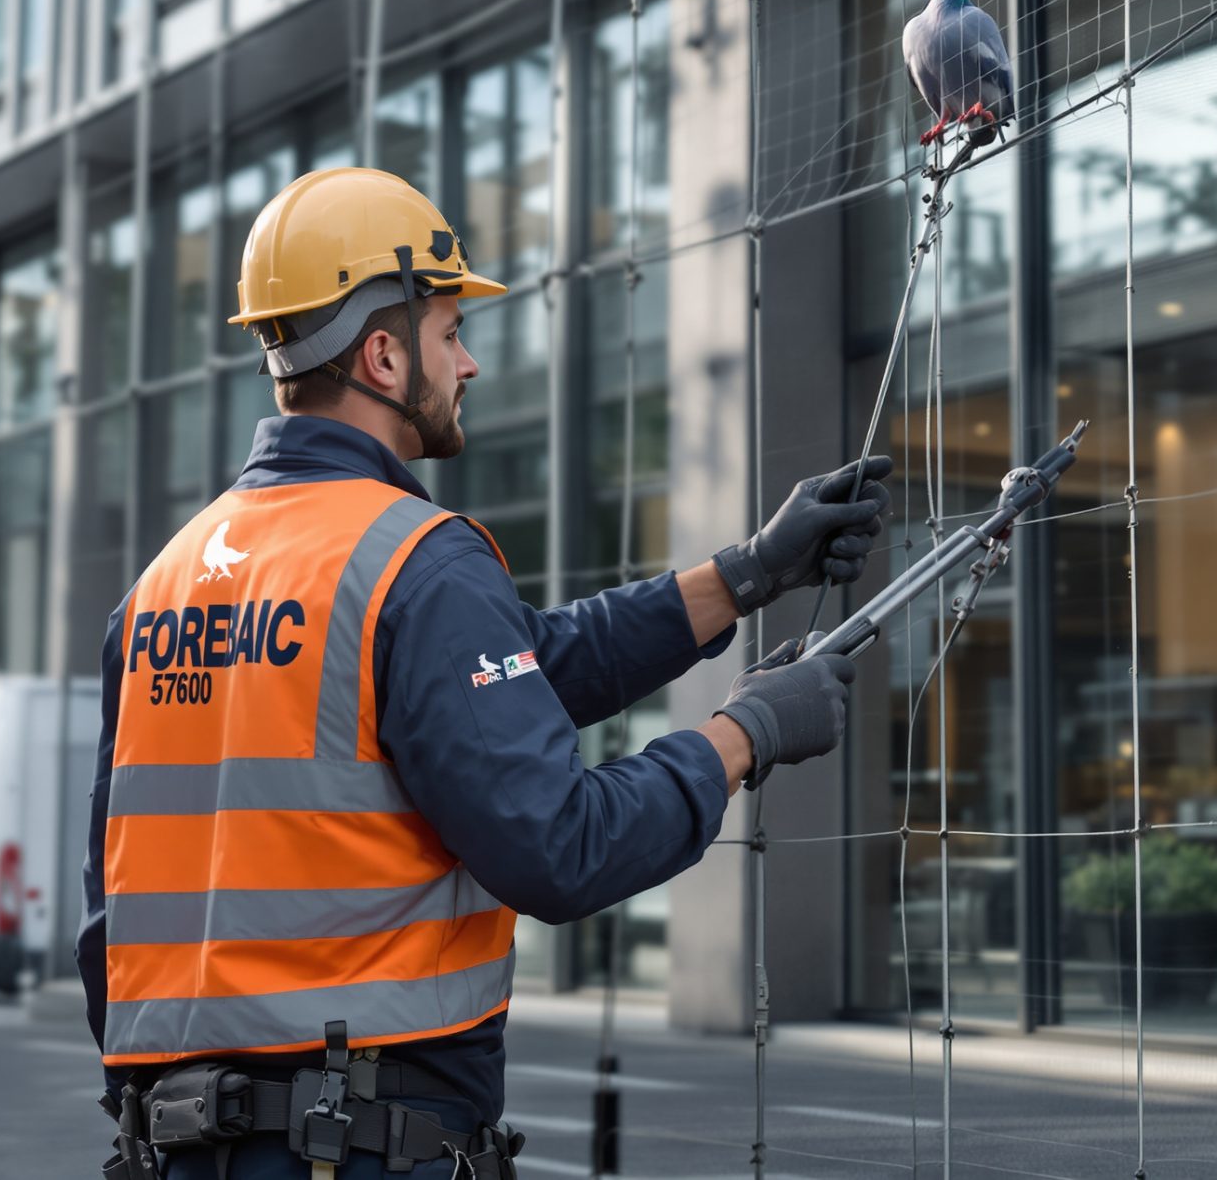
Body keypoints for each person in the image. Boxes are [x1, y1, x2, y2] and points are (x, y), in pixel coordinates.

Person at [79, 167, 892, 1180]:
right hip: (355, 1142)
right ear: (382, 355)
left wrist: (746, 574)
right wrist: (745, 735)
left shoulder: (157, 590)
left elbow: (107, 914)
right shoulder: (414, 561)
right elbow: (559, 846)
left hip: (174, 1146)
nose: (468, 363)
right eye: (450, 332)